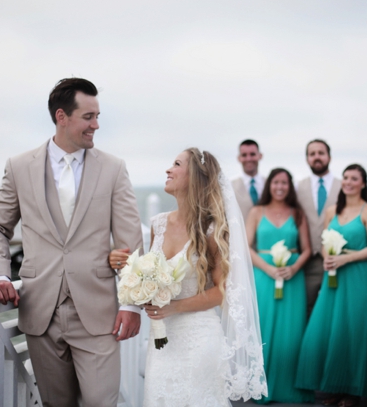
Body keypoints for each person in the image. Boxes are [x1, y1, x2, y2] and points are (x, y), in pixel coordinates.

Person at [0, 78, 144, 407]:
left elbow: (131, 242)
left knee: (102, 402)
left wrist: (131, 304)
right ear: (62, 117)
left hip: (99, 312)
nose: (96, 125)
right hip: (40, 310)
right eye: (88, 117)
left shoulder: (114, 169)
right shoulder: (19, 167)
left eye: (97, 116)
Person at [111, 148, 267, 406]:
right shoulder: (158, 223)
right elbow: (147, 275)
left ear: (194, 177)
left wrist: (174, 307)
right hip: (162, 341)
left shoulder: (213, 229)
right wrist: (121, 264)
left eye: (176, 164)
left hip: (199, 338)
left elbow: (221, 291)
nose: (168, 169)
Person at [295, 164, 367, 407]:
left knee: (354, 332)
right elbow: (323, 242)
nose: (349, 182)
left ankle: (352, 391)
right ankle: (331, 387)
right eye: (346, 178)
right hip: (333, 278)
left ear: (363, 183)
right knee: (328, 331)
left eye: (355, 178)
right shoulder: (332, 210)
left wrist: (345, 258)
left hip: (358, 276)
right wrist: (327, 256)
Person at [246, 168, 313, 404]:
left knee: (291, 332)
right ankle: (261, 386)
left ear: (290, 186)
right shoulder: (256, 212)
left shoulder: (297, 214)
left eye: (285, 183)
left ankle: (290, 387)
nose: (280, 187)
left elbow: (307, 250)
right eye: (276, 182)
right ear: (269, 185)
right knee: (263, 330)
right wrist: (268, 269)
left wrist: (293, 269)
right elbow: (247, 247)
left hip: (292, 279)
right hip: (264, 277)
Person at [295, 139, 342, 316]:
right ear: (307, 159)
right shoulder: (298, 187)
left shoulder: (344, 185)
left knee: (335, 307)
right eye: (312, 154)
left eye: (321, 153)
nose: (317, 157)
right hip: (307, 261)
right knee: (307, 307)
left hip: (337, 259)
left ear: (329, 156)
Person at [232, 139, 265, 219]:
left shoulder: (271, 184)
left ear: (260, 156)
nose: (249, 159)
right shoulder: (231, 187)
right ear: (239, 158)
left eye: (252, 154)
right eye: (244, 155)